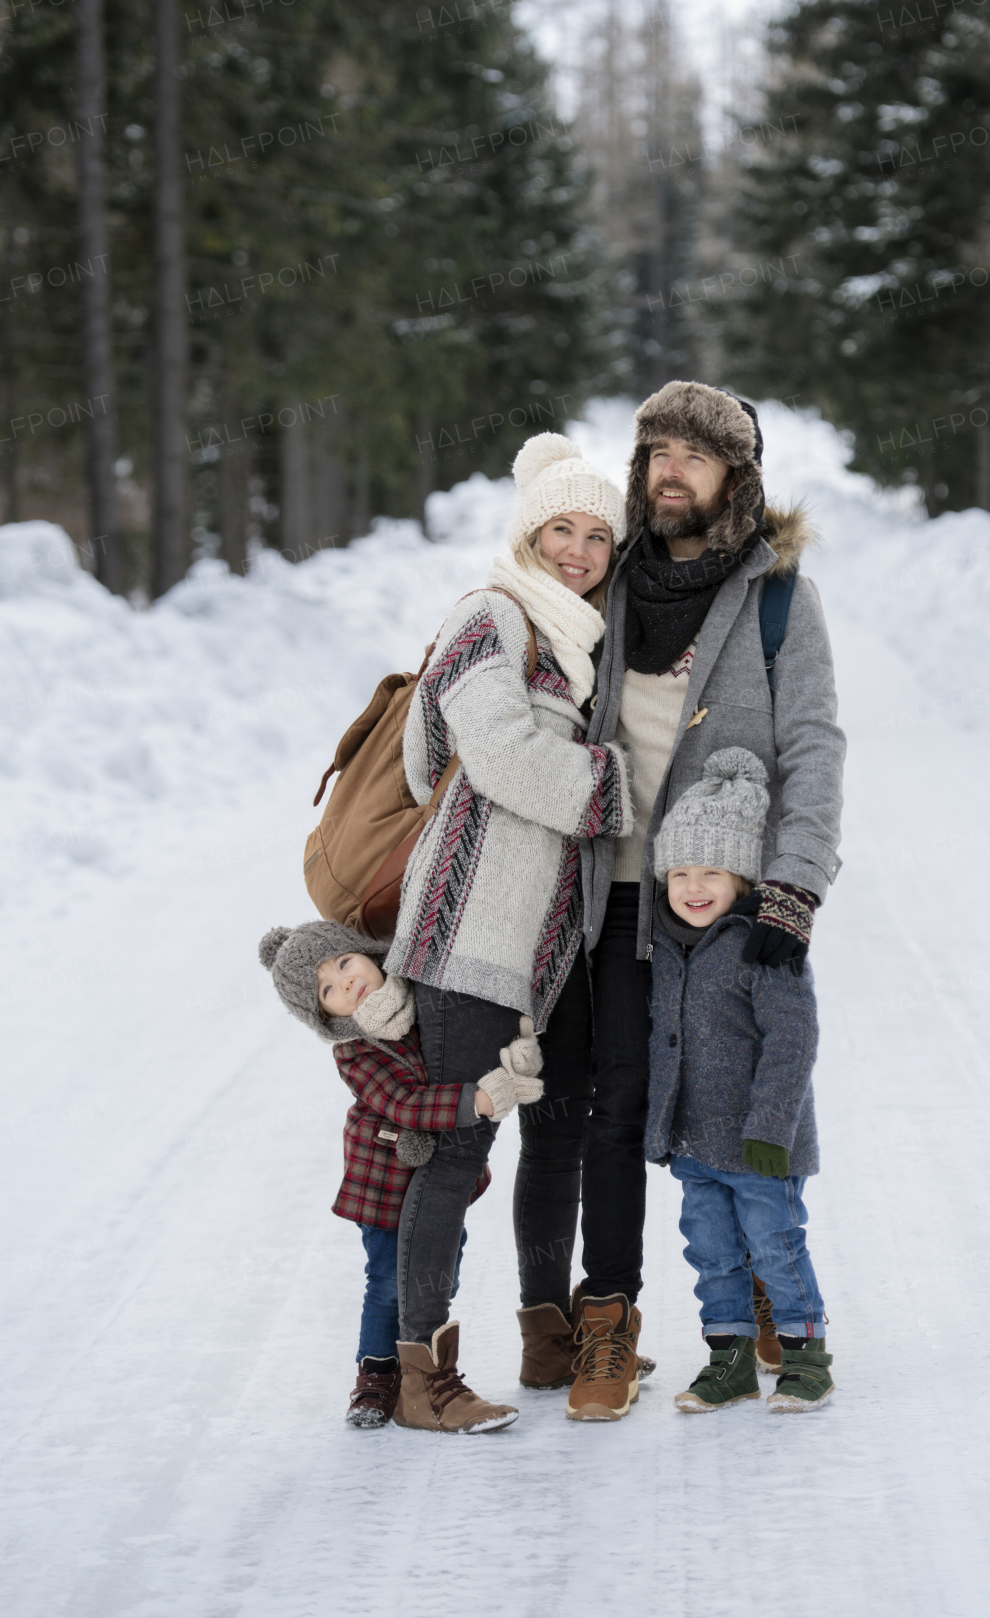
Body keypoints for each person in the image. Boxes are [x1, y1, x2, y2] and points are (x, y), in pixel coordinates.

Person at [571, 380, 845, 1419]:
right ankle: (608, 1321)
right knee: (616, 1108)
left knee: (741, 1094)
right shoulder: (608, 586)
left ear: (735, 476)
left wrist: (793, 888)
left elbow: (813, 745)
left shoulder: (776, 593)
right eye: (655, 452)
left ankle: (773, 1296)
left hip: (724, 905)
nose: (670, 468)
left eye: (695, 452)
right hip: (608, 896)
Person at [386, 432, 639, 1429]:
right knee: (451, 1153)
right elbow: (491, 753)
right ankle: (421, 1374)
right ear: (526, 531)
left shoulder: (577, 641)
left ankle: (545, 1335)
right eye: (559, 528)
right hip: (465, 939)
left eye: (594, 535)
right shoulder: (489, 615)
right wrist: (614, 786)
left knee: (556, 1140)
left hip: (547, 950)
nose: (576, 549)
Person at [258, 919, 538, 1432]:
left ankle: (414, 1364)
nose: (345, 982)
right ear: (324, 1015)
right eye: (327, 989)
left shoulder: (419, 1000)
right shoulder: (355, 1049)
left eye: (344, 963)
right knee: (388, 1278)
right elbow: (402, 1101)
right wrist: (473, 1101)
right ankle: (378, 1374)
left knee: (441, 1265)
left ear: (366, 952)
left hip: (434, 1174)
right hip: (385, 1180)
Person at [644, 748, 832, 1414]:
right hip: (696, 1145)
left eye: (711, 873)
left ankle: (808, 1359)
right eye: (680, 873)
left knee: (776, 1249)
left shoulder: (764, 946)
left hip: (760, 1147)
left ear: (740, 877)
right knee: (712, 1254)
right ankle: (729, 1361)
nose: (693, 887)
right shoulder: (665, 947)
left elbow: (794, 1041)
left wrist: (771, 1130)